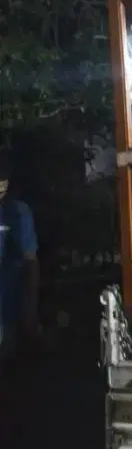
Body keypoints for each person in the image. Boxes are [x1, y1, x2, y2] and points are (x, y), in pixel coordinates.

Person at [0, 152, 40, 367]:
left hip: (9, 313)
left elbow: (30, 261)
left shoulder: (18, 212)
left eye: (4, 177)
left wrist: (30, 308)